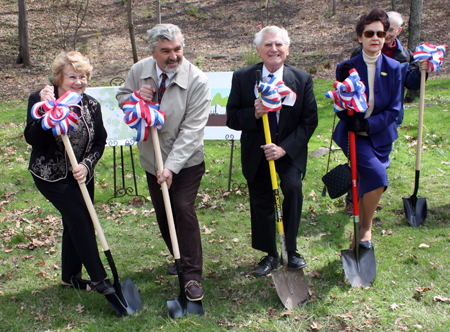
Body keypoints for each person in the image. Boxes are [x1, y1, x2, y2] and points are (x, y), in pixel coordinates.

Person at [116, 24, 210, 301]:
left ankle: (192, 276)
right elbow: (122, 96)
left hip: (187, 161)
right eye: (166, 51)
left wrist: (171, 167)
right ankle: (178, 255)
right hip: (152, 159)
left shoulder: (197, 80)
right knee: (163, 213)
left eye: (178, 49)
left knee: (181, 208)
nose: (174, 56)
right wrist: (134, 98)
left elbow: (192, 131)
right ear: (153, 51)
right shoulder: (139, 70)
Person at [226, 26, 318, 277]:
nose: (273, 49)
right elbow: (232, 118)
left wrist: (283, 149)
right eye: (267, 45)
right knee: (262, 198)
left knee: (292, 188)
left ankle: (291, 249)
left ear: (287, 50)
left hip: (288, 151)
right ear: (258, 49)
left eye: (278, 44)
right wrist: (255, 113)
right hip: (258, 151)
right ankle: (271, 253)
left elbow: (309, 122)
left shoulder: (301, 79)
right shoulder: (244, 77)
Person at [24, 51, 114, 296]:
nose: (78, 81)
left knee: (73, 222)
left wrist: (87, 165)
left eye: (83, 76)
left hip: (81, 175)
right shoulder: (41, 99)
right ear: (58, 78)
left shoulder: (90, 104)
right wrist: (45, 112)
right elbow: (32, 139)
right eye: (72, 76)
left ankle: (70, 277)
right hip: (50, 175)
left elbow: (99, 141)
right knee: (82, 220)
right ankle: (100, 279)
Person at [345, 11, 430, 215]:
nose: (384, 35)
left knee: (380, 162)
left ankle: (371, 195)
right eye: (375, 32)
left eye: (388, 31)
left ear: (397, 31)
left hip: (387, 119)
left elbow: (411, 83)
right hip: (360, 120)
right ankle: (353, 198)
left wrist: (421, 70)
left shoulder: (403, 56)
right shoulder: (359, 54)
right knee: (360, 162)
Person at [334, 8, 402, 250]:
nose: (375, 38)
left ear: (386, 37)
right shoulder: (347, 66)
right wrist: (347, 116)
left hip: (381, 136)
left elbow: (394, 110)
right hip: (355, 137)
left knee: (369, 181)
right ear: (360, 37)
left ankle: (358, 236)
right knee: (377, 176)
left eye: (380, 34)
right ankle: (365, 230)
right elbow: (339, 103)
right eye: (369, 33)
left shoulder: (394, 68)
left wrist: (367, 123)